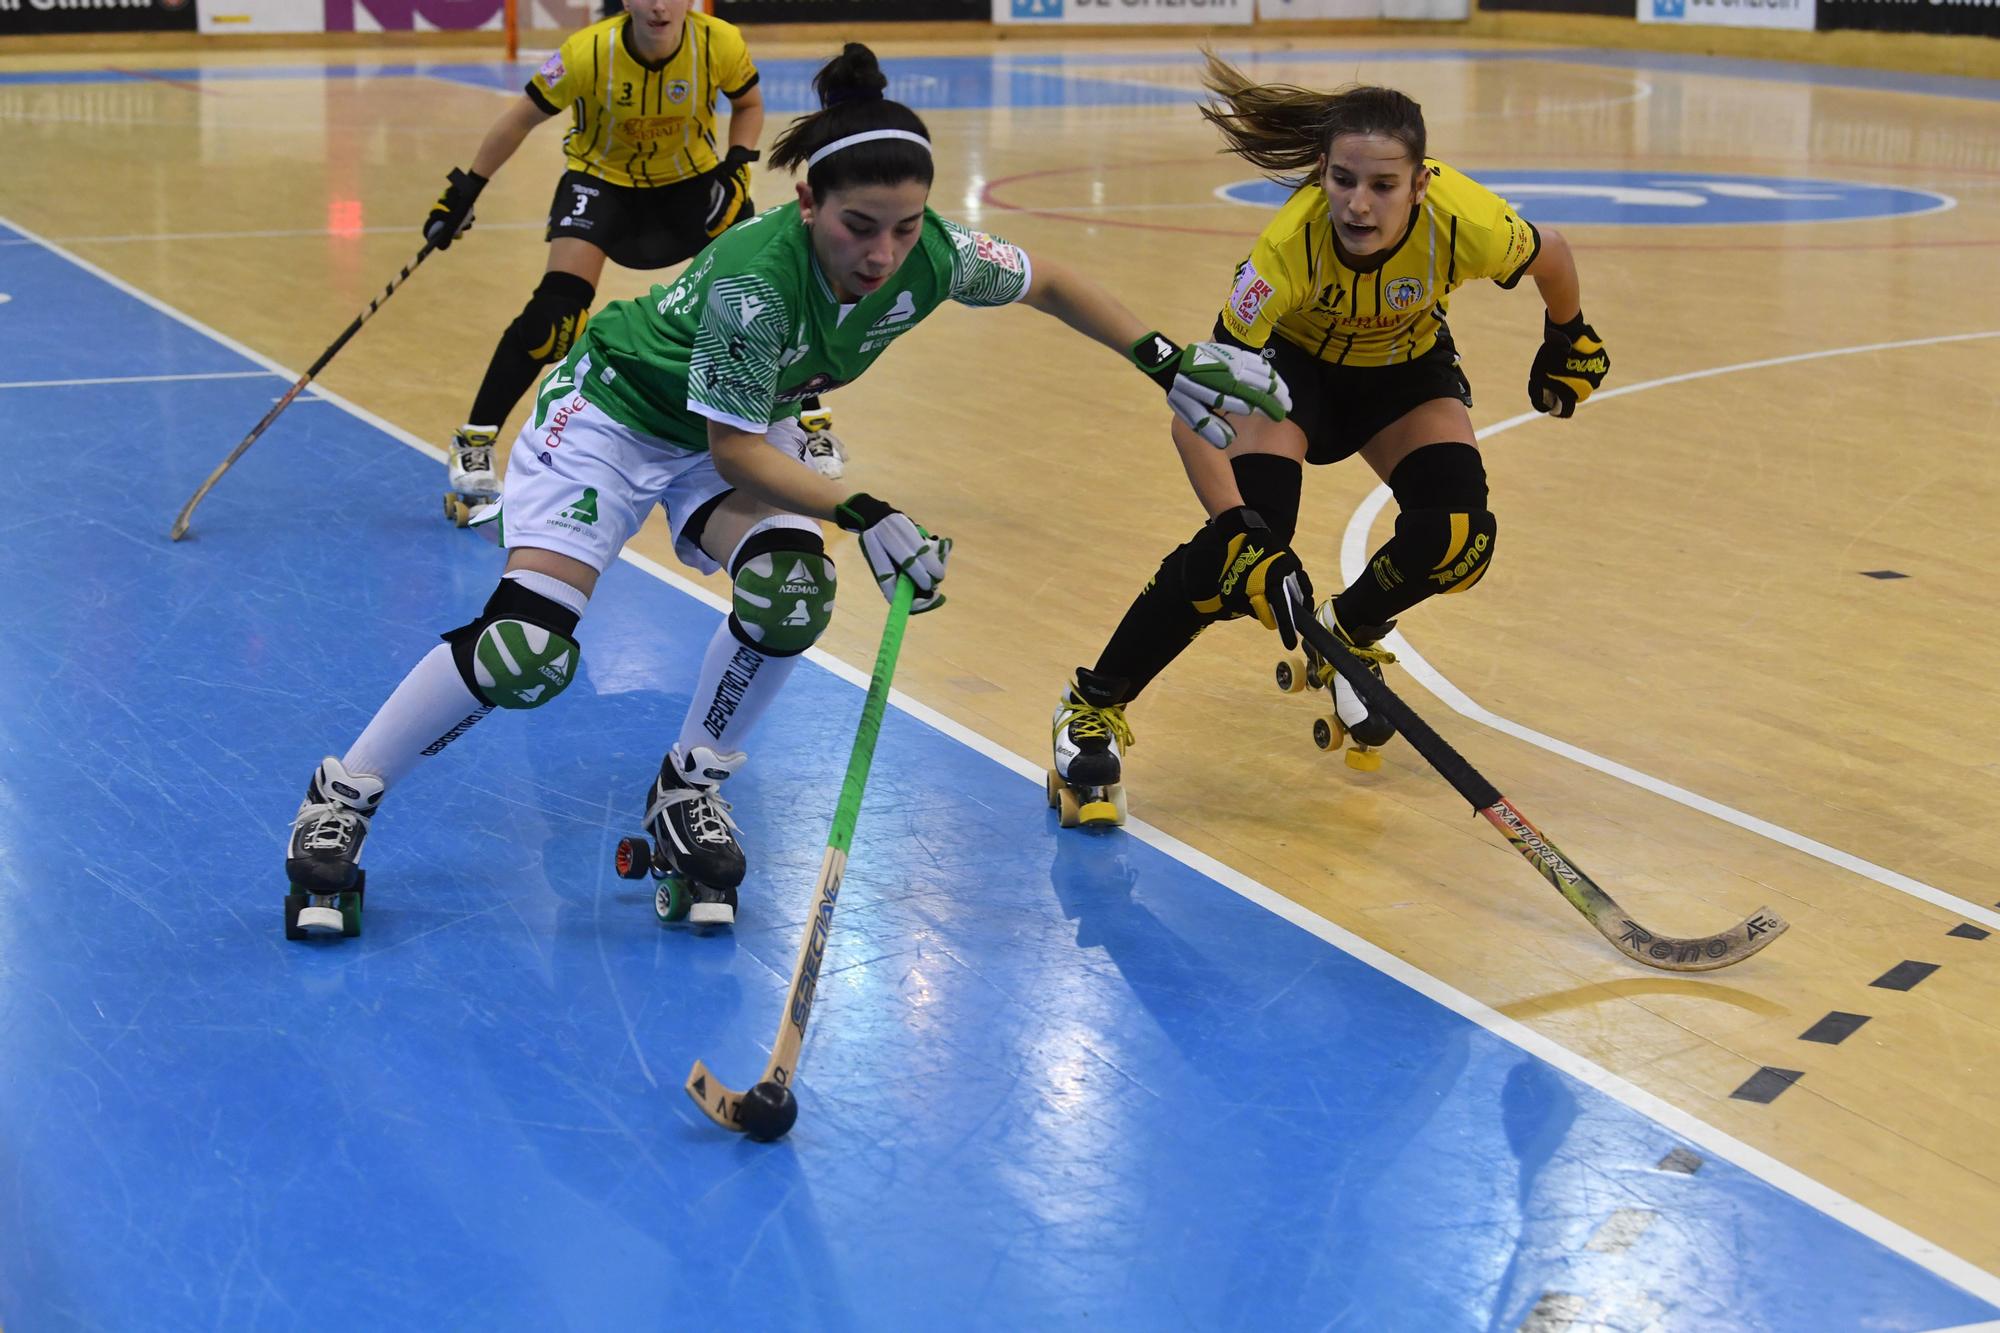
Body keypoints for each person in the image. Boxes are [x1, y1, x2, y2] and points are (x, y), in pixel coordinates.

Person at [282, 43, 1289, 935]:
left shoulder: (931, 257)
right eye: (858, 227)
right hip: (613, 420)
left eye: (902, 227)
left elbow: (1052, 281)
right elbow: (734, 458)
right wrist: (863, 506)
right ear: (805, 201)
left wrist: (1161, 359)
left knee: (792, 592)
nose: (882, 255)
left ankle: (690, 786)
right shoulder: (752, 283)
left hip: (739, 423)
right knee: (526, 650)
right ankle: (344, 792)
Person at [1048, 53, 1610, 817]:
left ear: (1422, 183)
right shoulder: (1283, 254)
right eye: (1343, 180)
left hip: (1403, 375)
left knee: (1458, 538)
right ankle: (1092, 703)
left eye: (1383, 185)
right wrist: (1236, 524)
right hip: (1291, 378)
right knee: (1237, 558)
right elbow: (1197, 409)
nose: (1358, 204)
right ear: (1321, 172)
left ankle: (1349, 631)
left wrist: (1568, 334)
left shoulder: (1465, 220)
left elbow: (1554, 255)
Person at [422, 0, 846, 522]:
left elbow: (749, 105)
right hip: (602, 187)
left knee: (765, 300)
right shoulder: (586, 52)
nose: (660, 6)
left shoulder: (720, 43)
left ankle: (810, 424)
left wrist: (737, 165)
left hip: (691, 189)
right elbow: (518, 120)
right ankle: (476, 439)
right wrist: (467, 190)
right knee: (553, 322)